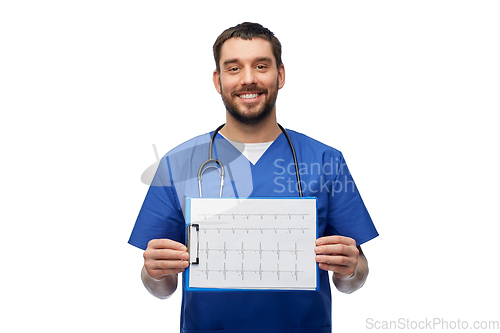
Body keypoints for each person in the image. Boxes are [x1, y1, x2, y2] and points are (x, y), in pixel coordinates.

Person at [129, 22, 378, 333]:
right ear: (218, 81)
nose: (248, 79)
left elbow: (355, 277)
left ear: (280, 75)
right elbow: (161, 288)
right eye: (234, 68)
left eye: (261, 66)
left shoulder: (325, 161)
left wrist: (349, 269)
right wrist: (154, 272)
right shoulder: (178, 165)